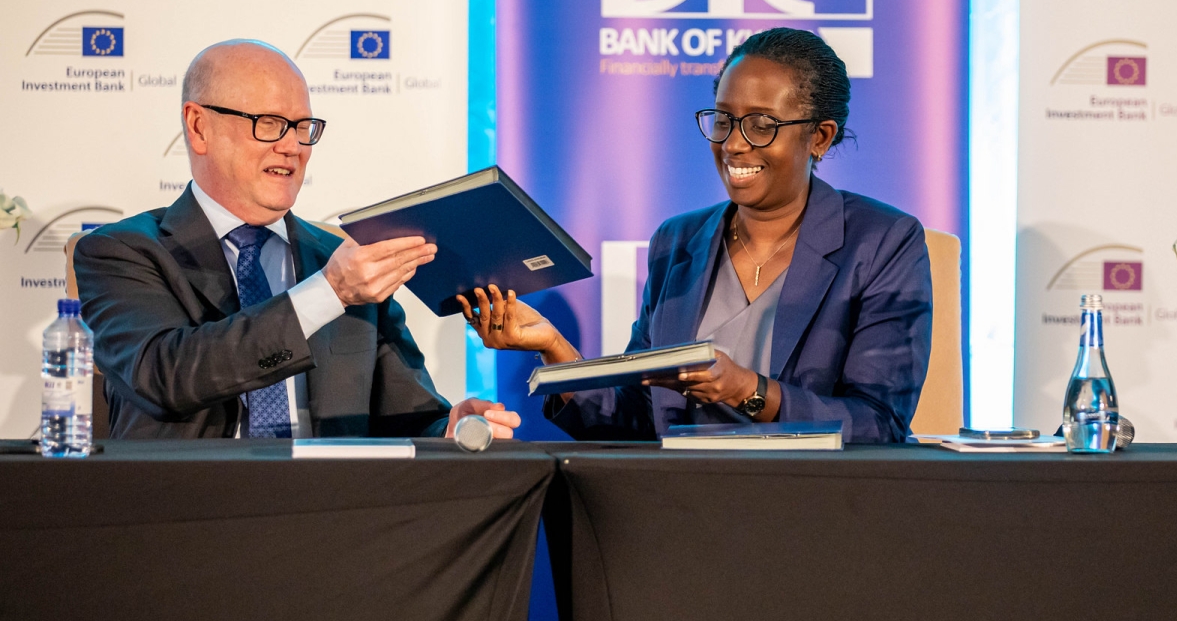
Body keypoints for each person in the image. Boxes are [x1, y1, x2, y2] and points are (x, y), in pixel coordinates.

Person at [459, 27, 932, 443]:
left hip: (809, 506)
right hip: (680, 499)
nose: (733, 143)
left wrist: (749, 391)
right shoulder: (680, 240)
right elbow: (639, 417)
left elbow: (877, 422)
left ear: (820, 138)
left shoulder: (882, 242)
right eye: (724, 120)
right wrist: (554, 348)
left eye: (762, 125)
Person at [75, 39, 520, 439]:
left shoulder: (339, 259)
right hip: (193, 514)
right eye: (268, 123)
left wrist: (450, 428)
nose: (292, 147)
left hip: (329, 513)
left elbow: (407, 418)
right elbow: (163, 377)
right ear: (198, 126)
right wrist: (328, 293)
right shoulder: (122, 251)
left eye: (302, 126)